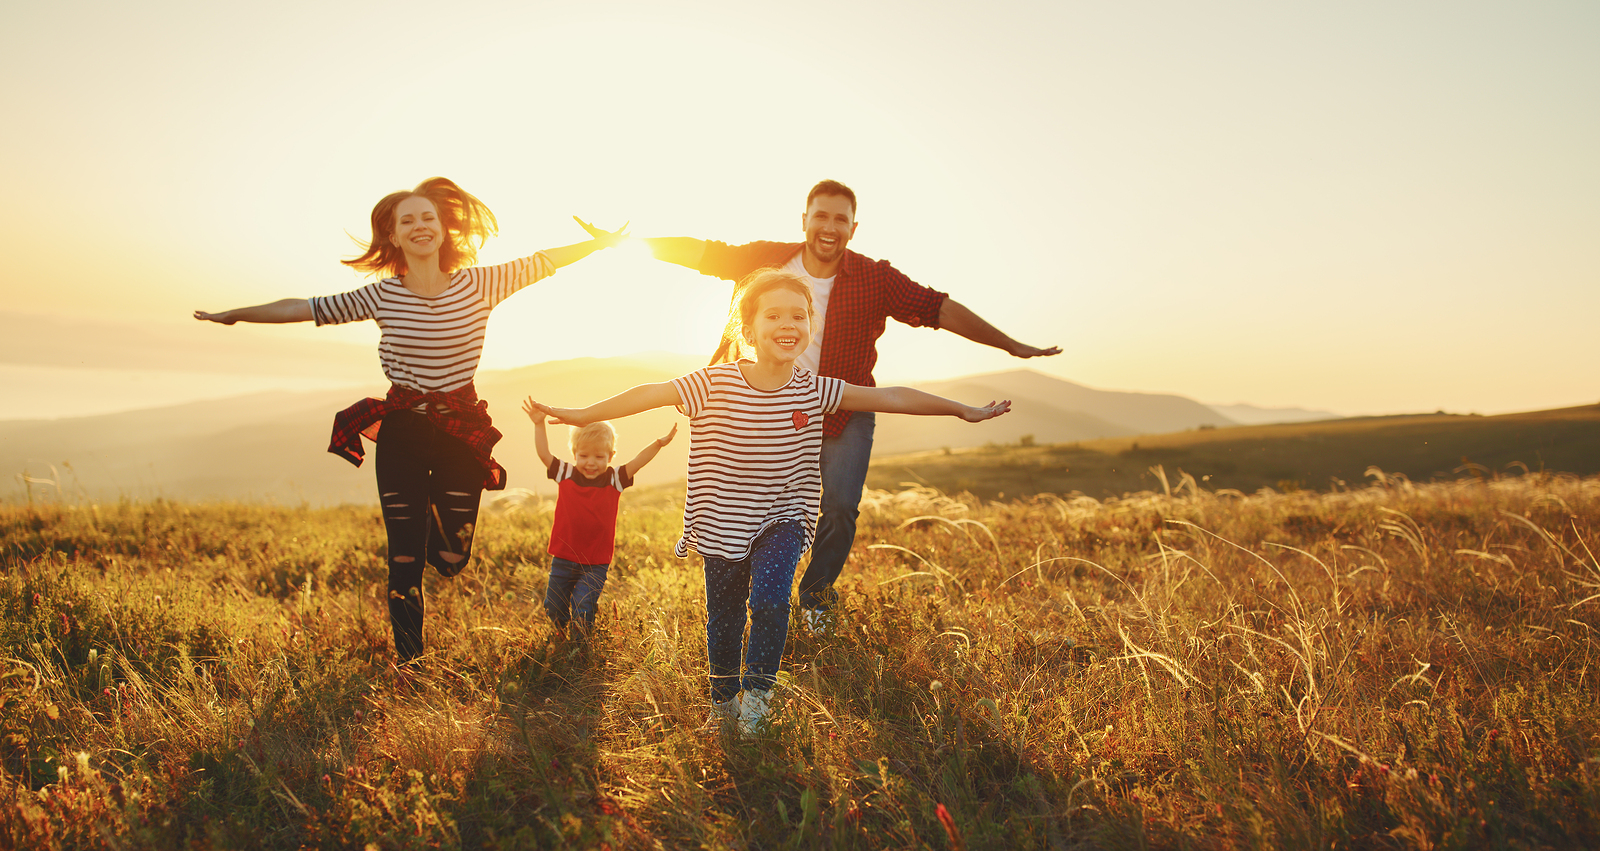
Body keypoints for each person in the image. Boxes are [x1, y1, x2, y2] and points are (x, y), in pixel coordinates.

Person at [524, 268, 1010, 736]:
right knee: (726, 618)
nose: (788, 324)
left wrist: (959, 408)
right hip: (722, 524)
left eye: (799, 315)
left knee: (772, 602)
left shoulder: (816, 390)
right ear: (749, 327)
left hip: (784, 518)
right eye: (774, 315)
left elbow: (893, 398)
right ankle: (723, 702)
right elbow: (649, 393)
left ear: (808, 328)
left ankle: (757, 700)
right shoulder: (712, 384)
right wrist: (581, 414)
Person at [194, 177, 624, 666]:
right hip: (402, 430)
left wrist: (600, 242)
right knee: (403, 559)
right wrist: (235, 314)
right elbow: (303, 307)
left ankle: (426, 534)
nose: (419, 226)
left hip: (459, 432)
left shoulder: (481, 283)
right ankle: (410, 661)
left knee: (450, 557)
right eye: (407, 221)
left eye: (428, 218)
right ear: (394, 237)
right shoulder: (380, 296)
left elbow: (544, 261)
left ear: (443, 229)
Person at [612, 179, 1058, 632]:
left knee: (841, 506)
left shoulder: (874, 278)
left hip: (842, 405)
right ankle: (750, 592)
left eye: (840, 219)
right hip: (763, 406)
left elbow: (937, 308)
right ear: (804, 220)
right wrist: (626, 242)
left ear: (853, 227)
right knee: (752, 503)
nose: (829, 227)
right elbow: (704, 253)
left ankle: (815, 599)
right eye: (820, 216)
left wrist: (1011, 346)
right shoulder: (767, 259)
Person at [524, 411, 677, 640]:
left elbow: (638, 462)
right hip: (563, 557)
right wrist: (538, 424)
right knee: (553, 606)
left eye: (599, 457)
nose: (591, 463)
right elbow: (544, 454)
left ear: (611, 456)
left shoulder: (614, 479)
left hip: (595, 562)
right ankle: (560, 637)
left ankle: (579, 649)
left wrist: (658, 444)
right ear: (574, 454)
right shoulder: (566, 473)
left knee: (583, 606)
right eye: (584, 455)